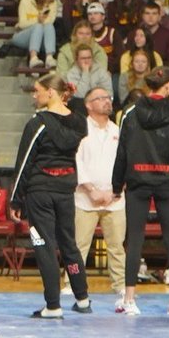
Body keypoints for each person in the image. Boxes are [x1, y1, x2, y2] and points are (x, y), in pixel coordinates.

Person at [9, 71, 91, 318]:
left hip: (40, 190)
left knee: (43, 245)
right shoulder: (79, 122)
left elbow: (24, 162)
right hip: (65, 189)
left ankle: (53, 305)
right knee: (68, 243)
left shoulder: (39, 123)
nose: (34, 95)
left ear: (51, 92)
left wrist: (15, 199)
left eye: (37, 91)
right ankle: (82, 298)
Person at [111, 68, 169, 316]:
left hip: (137, 180)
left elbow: (122, 151)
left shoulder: (130, 112)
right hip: (168, 181)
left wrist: (116, 185)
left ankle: (129, 299)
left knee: (134, 239)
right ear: (168, 86)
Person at [73, 85, 125, 288]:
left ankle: (120, 286)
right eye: (100, 98)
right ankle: (72, 284)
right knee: (78, 247)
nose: (107, 101)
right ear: (88, 104)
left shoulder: (119, 130)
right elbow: (75, 160)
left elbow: (126, 162)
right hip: (85, 198)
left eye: (108, 97)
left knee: (117, 247)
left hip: (115, 198)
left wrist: (115, 190)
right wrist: (91, 190)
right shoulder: (79, 129)